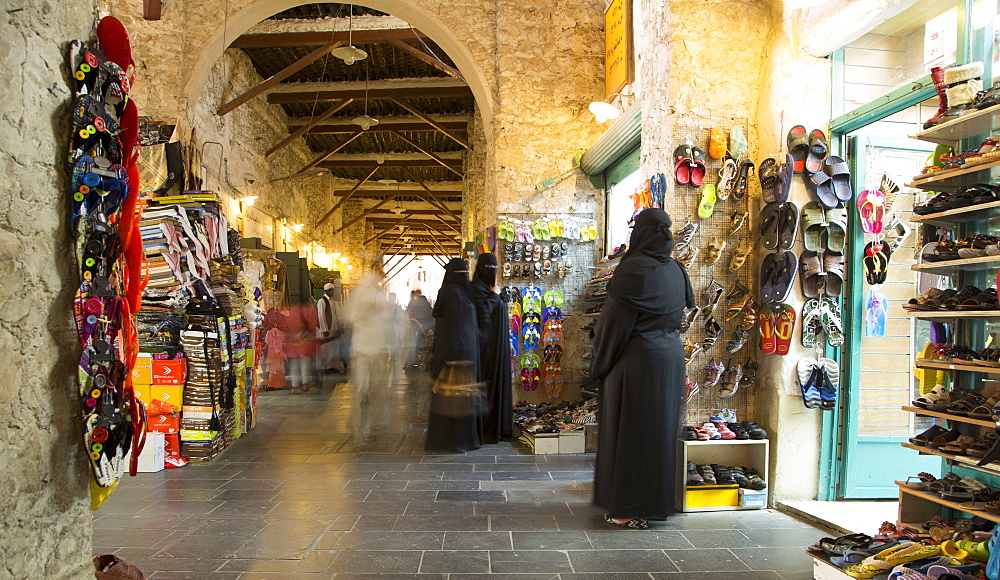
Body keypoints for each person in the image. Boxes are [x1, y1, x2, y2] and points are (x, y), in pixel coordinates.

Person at [591, 208, 694, 529]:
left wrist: (600, 364)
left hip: (637, 362)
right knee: (659, 433)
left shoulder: (633, 269)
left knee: (632, 434)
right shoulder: (677, 270)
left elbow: (613, 325)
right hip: (670, 361)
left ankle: (626, 509)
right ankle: (654, 503)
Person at [425, 258, 483, 452]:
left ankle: (451, 440)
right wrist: (459, 354)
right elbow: (456, 327)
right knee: (456, 400)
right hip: (457, 355)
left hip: (454, 353)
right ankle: (455, 441)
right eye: (463, 272)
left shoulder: (452, 292)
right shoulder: (454, 294)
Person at [344, 275, 394, 442]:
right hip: (362, 349)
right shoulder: (360, 298)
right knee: (362, 387)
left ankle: (371, 425)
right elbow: (351, 318)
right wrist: (365, 309)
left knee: (375, 387)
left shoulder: (379, 298)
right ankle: (361, 430)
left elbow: (386, 319)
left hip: (376, 348)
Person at [469, 253, 512, 444]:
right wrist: (495, 296)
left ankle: (499, 426)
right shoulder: (475, 289)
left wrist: (498, 297)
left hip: (496, 348)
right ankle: (485, 429)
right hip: (484, 350)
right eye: (490, 268)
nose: (493, 272)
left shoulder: (486, 288)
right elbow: (483, 317)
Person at [282, 303, 319, 393]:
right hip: (305, 343)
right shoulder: (308, 311)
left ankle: (294, 386)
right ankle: (304, 384)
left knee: (294, 366)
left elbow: (285, 327)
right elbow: (314, 324)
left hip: (293, 344)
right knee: (305, 365)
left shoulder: (291, 312)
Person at [316, 282, 344, 374]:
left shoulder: (332, 302)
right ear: (325, 291)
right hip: (326, 329)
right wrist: (324, 329)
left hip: (333, 328)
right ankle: (324, 367)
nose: (331, 292)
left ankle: (332, 366)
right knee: (325, 349)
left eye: (332, 290)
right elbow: (321, 316)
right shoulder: (322, 301)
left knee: (333, 348)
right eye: (329, 290)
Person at [406, 289, 434, 368]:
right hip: (425, 328)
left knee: (412, 343)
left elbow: (409, 315)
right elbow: (432, 318)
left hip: (415, 327)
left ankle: (412, 360)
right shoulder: (428, 308)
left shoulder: (414, 306)